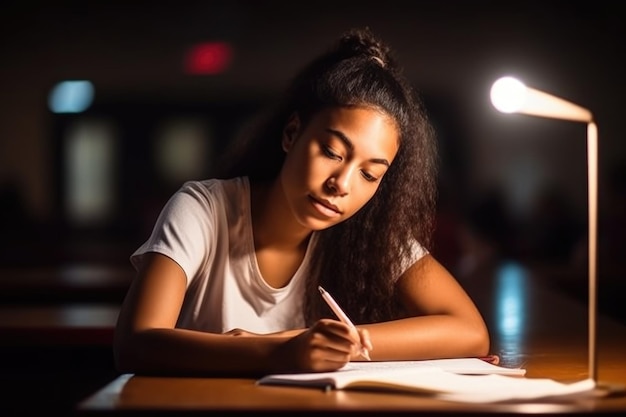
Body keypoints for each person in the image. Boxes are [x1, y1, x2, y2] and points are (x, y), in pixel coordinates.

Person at [113, 27, 489, 376]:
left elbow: (470, 331)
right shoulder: (202, 209)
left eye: (370, 174)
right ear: (292, 133)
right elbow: (135, 342)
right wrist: (278, 353)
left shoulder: (368, 233)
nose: (341, 184)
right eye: (331, 151)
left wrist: (341, 347)